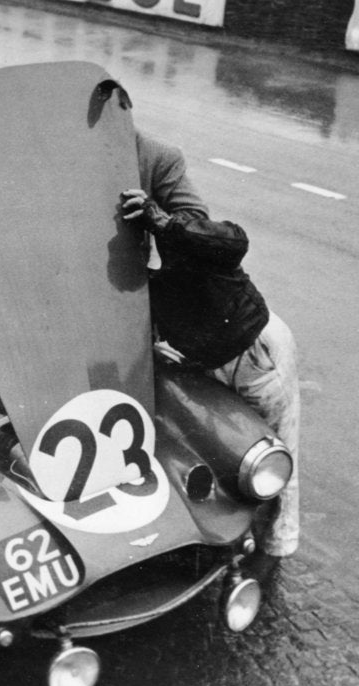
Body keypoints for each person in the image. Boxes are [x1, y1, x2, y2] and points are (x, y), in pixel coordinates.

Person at [121, 192, 301, 580]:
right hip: (215, 360)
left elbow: (235, 238)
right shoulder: (148, 279)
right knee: (230, 453)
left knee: (275, 457)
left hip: (257, 353)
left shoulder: (186, 241)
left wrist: (165, 223)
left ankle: (273, 552)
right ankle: (229, 543)